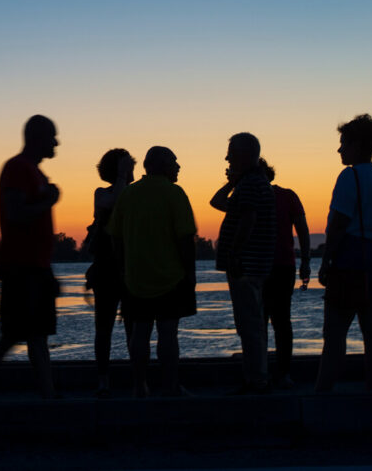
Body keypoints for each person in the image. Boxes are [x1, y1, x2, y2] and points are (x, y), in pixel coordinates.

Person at [0, 115, 61, 399]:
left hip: (36, 265)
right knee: (14, 333)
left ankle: (48, 393)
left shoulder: (34, 172)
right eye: (52, 137)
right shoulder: (17, 168)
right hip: (19, 265)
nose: (56, 143)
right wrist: (49, 200)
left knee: (38, 333)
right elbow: (15, 213)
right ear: (37, 138)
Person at [316, 114, 372, 392]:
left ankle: (323, 392)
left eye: (344, 143)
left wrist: (326, 260)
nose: (339, 149)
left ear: (357, 145)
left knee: (335, 331)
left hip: (351, 257)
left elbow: (338, 224)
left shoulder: (349, 176)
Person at [108, 147, 197, 397]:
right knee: (168, 333)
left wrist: (123, 267)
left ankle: (140, 385)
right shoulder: (175, 193)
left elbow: (115, 236)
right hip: (171, 277)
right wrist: (190, 273)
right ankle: (170, 386)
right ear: (161, 165)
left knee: (139, 332)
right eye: (174, 161)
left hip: (135, 278)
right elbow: (185, 238)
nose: (178, 166)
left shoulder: (128, 194)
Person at [210, 133, 276, 394]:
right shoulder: (252, 183)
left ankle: (256, 380)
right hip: (253, 264)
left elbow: (248, 220)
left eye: (231, 153)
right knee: (252, 322)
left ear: (245, 155)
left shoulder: (250, 185)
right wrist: (232, 183)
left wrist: (235, 255)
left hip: (246, 265)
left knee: (249, 324)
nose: (227, 158)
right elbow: (217, 203)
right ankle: (257, 375)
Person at [83, 148, 135, 396]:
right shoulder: (102, 194)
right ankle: (103, 380)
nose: (132, 170)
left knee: (133, 327)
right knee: (103, 328)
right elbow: (119, 203)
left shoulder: (136, 193)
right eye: (127, 166)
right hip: (106, 269)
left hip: (130, 268)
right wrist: (122, 176)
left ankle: (138, 377)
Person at [259, 158, 311, 388]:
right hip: (272, 267)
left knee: (272, 322)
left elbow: (302, 230)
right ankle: (274, 373)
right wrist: (305, 261)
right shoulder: (286, 196)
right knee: (277, 322)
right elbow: (303, 231)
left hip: (274, 267)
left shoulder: (286, 196)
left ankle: (275, 372)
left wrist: (305, 261)